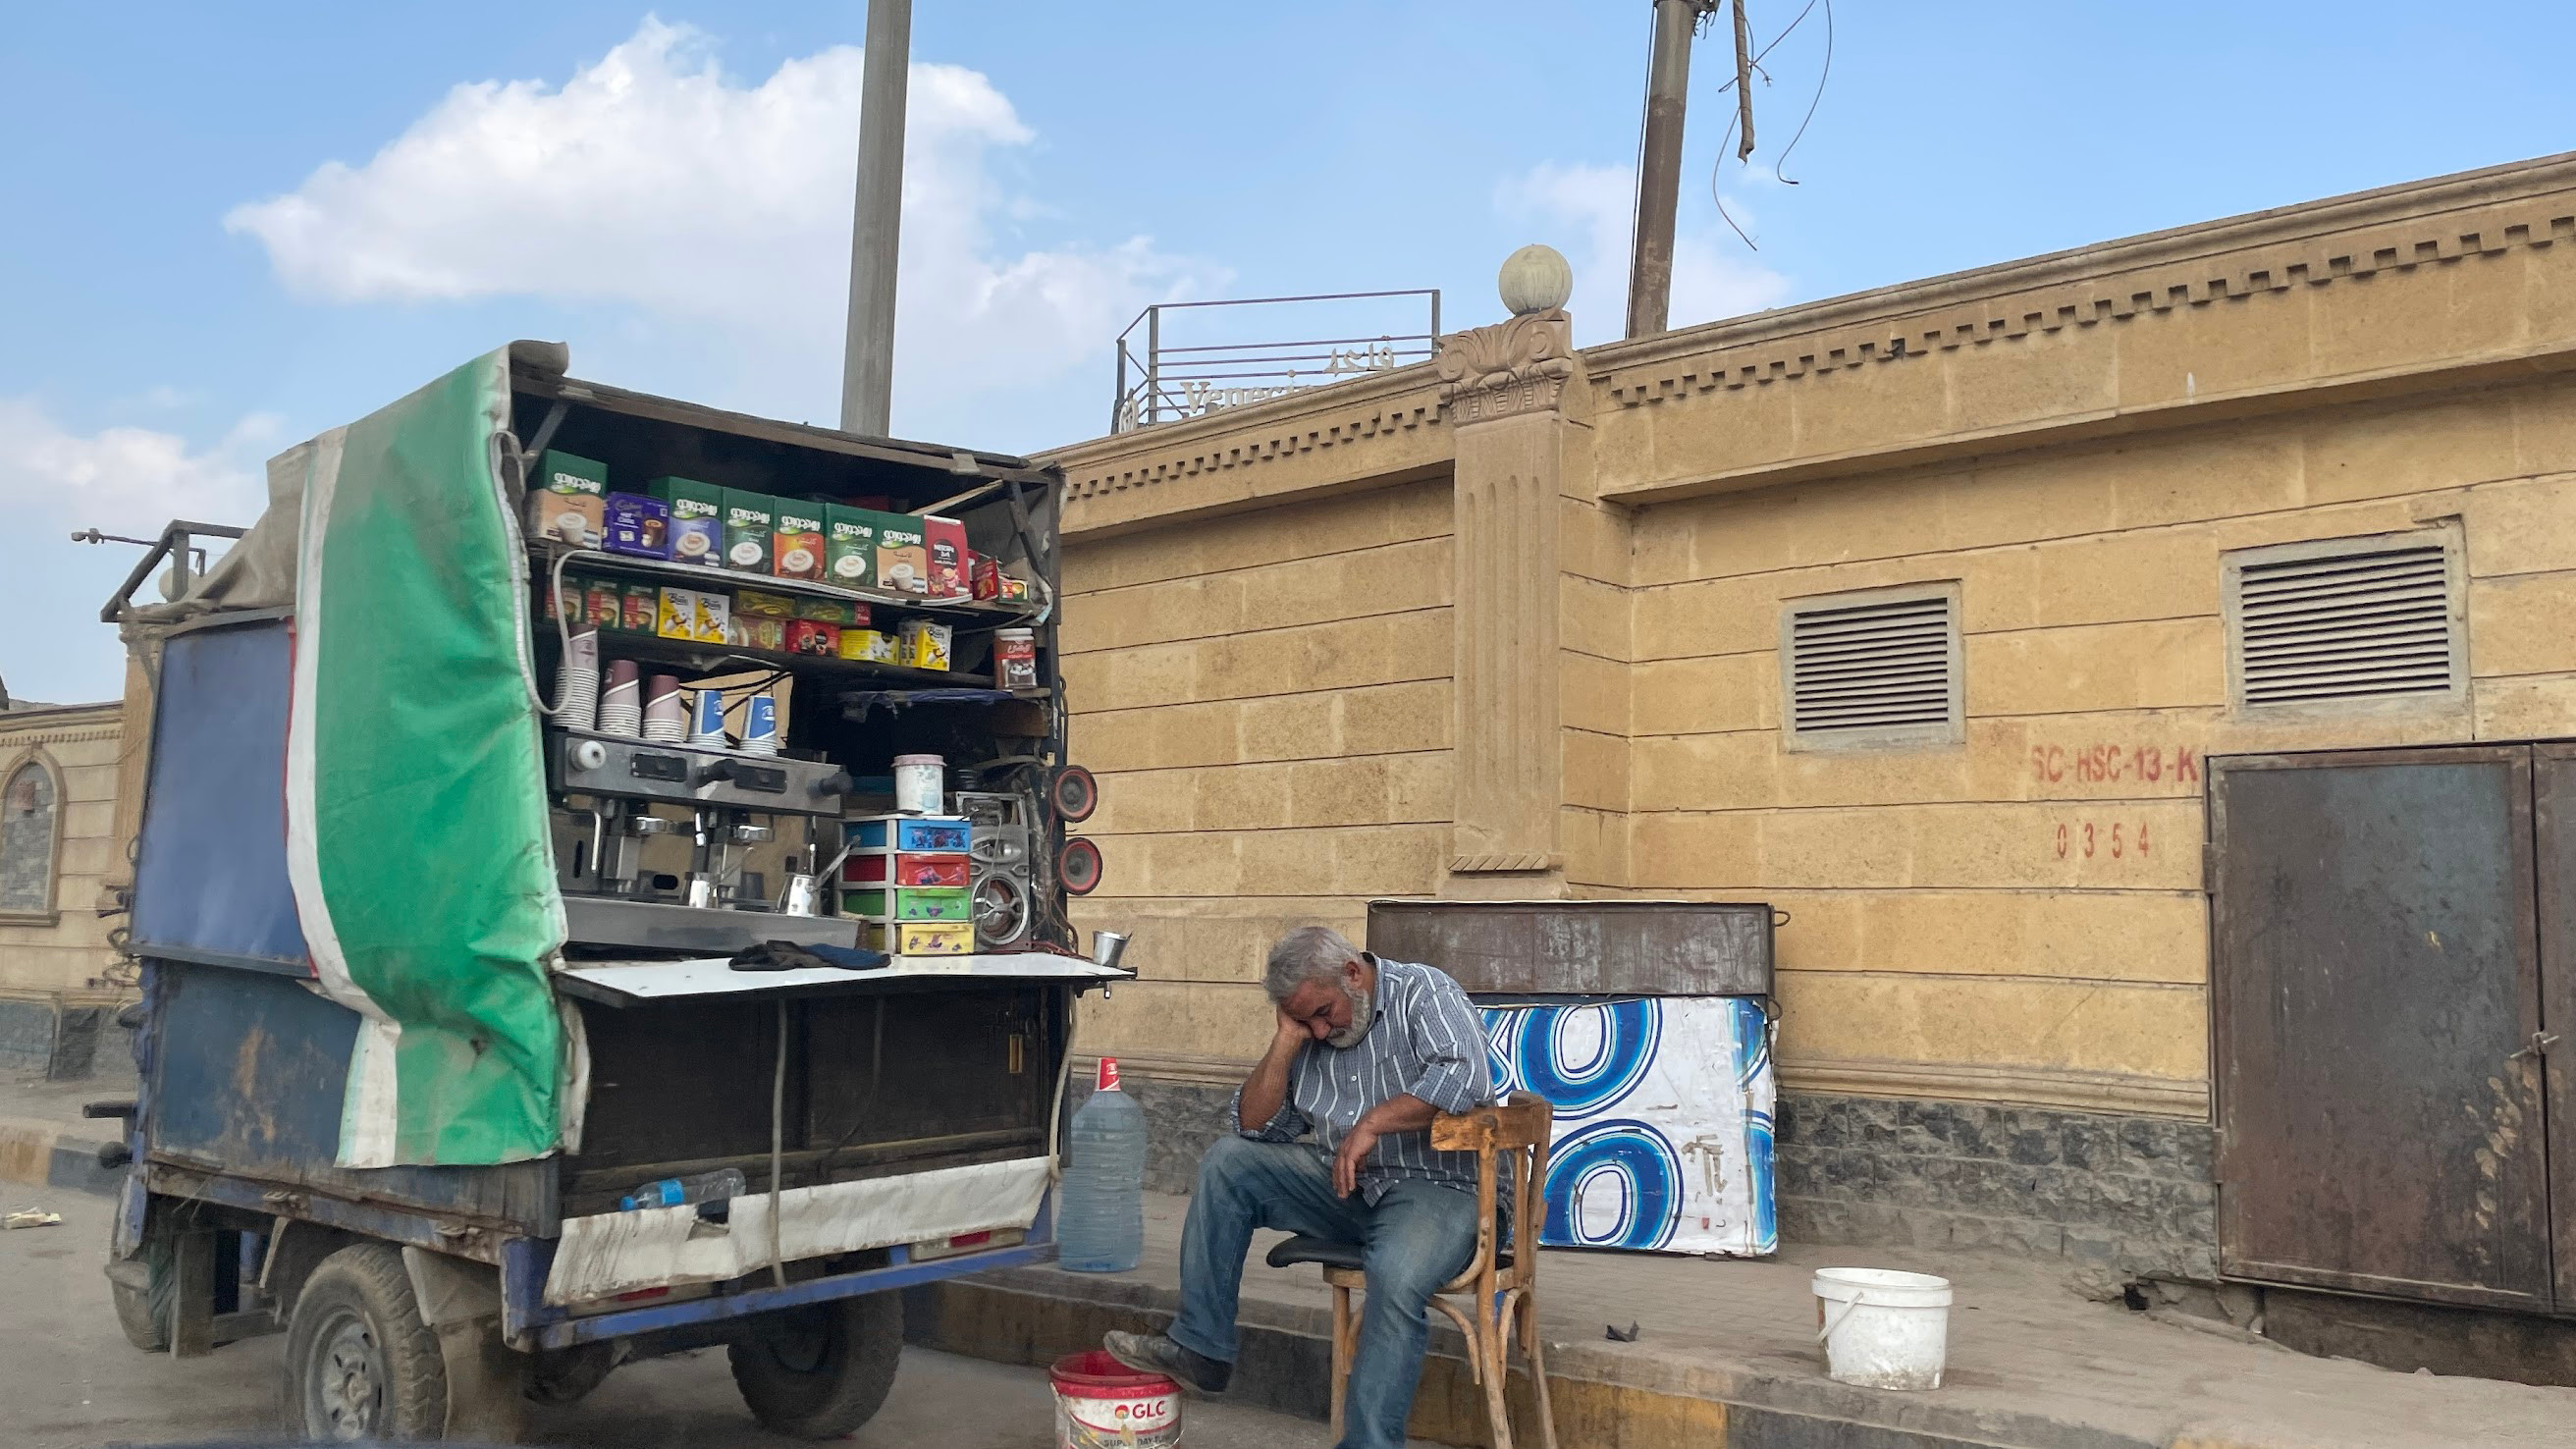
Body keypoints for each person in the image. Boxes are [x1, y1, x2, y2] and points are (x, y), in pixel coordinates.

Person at [1104, 926, 1491, 1449]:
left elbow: (1466, 1080)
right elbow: (1254, 1125)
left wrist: (1375, 1123)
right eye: (1302, 1019)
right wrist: (1285, 1042)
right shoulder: (1308, 1033)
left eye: (1323, 1012)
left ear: (1353, 974)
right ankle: (1202, 1347)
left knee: (1396, 1272)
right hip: (1348, 1187)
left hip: (1439, 1187)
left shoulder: (1425, 993)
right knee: (1228, 1163)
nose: (1318, 1029)